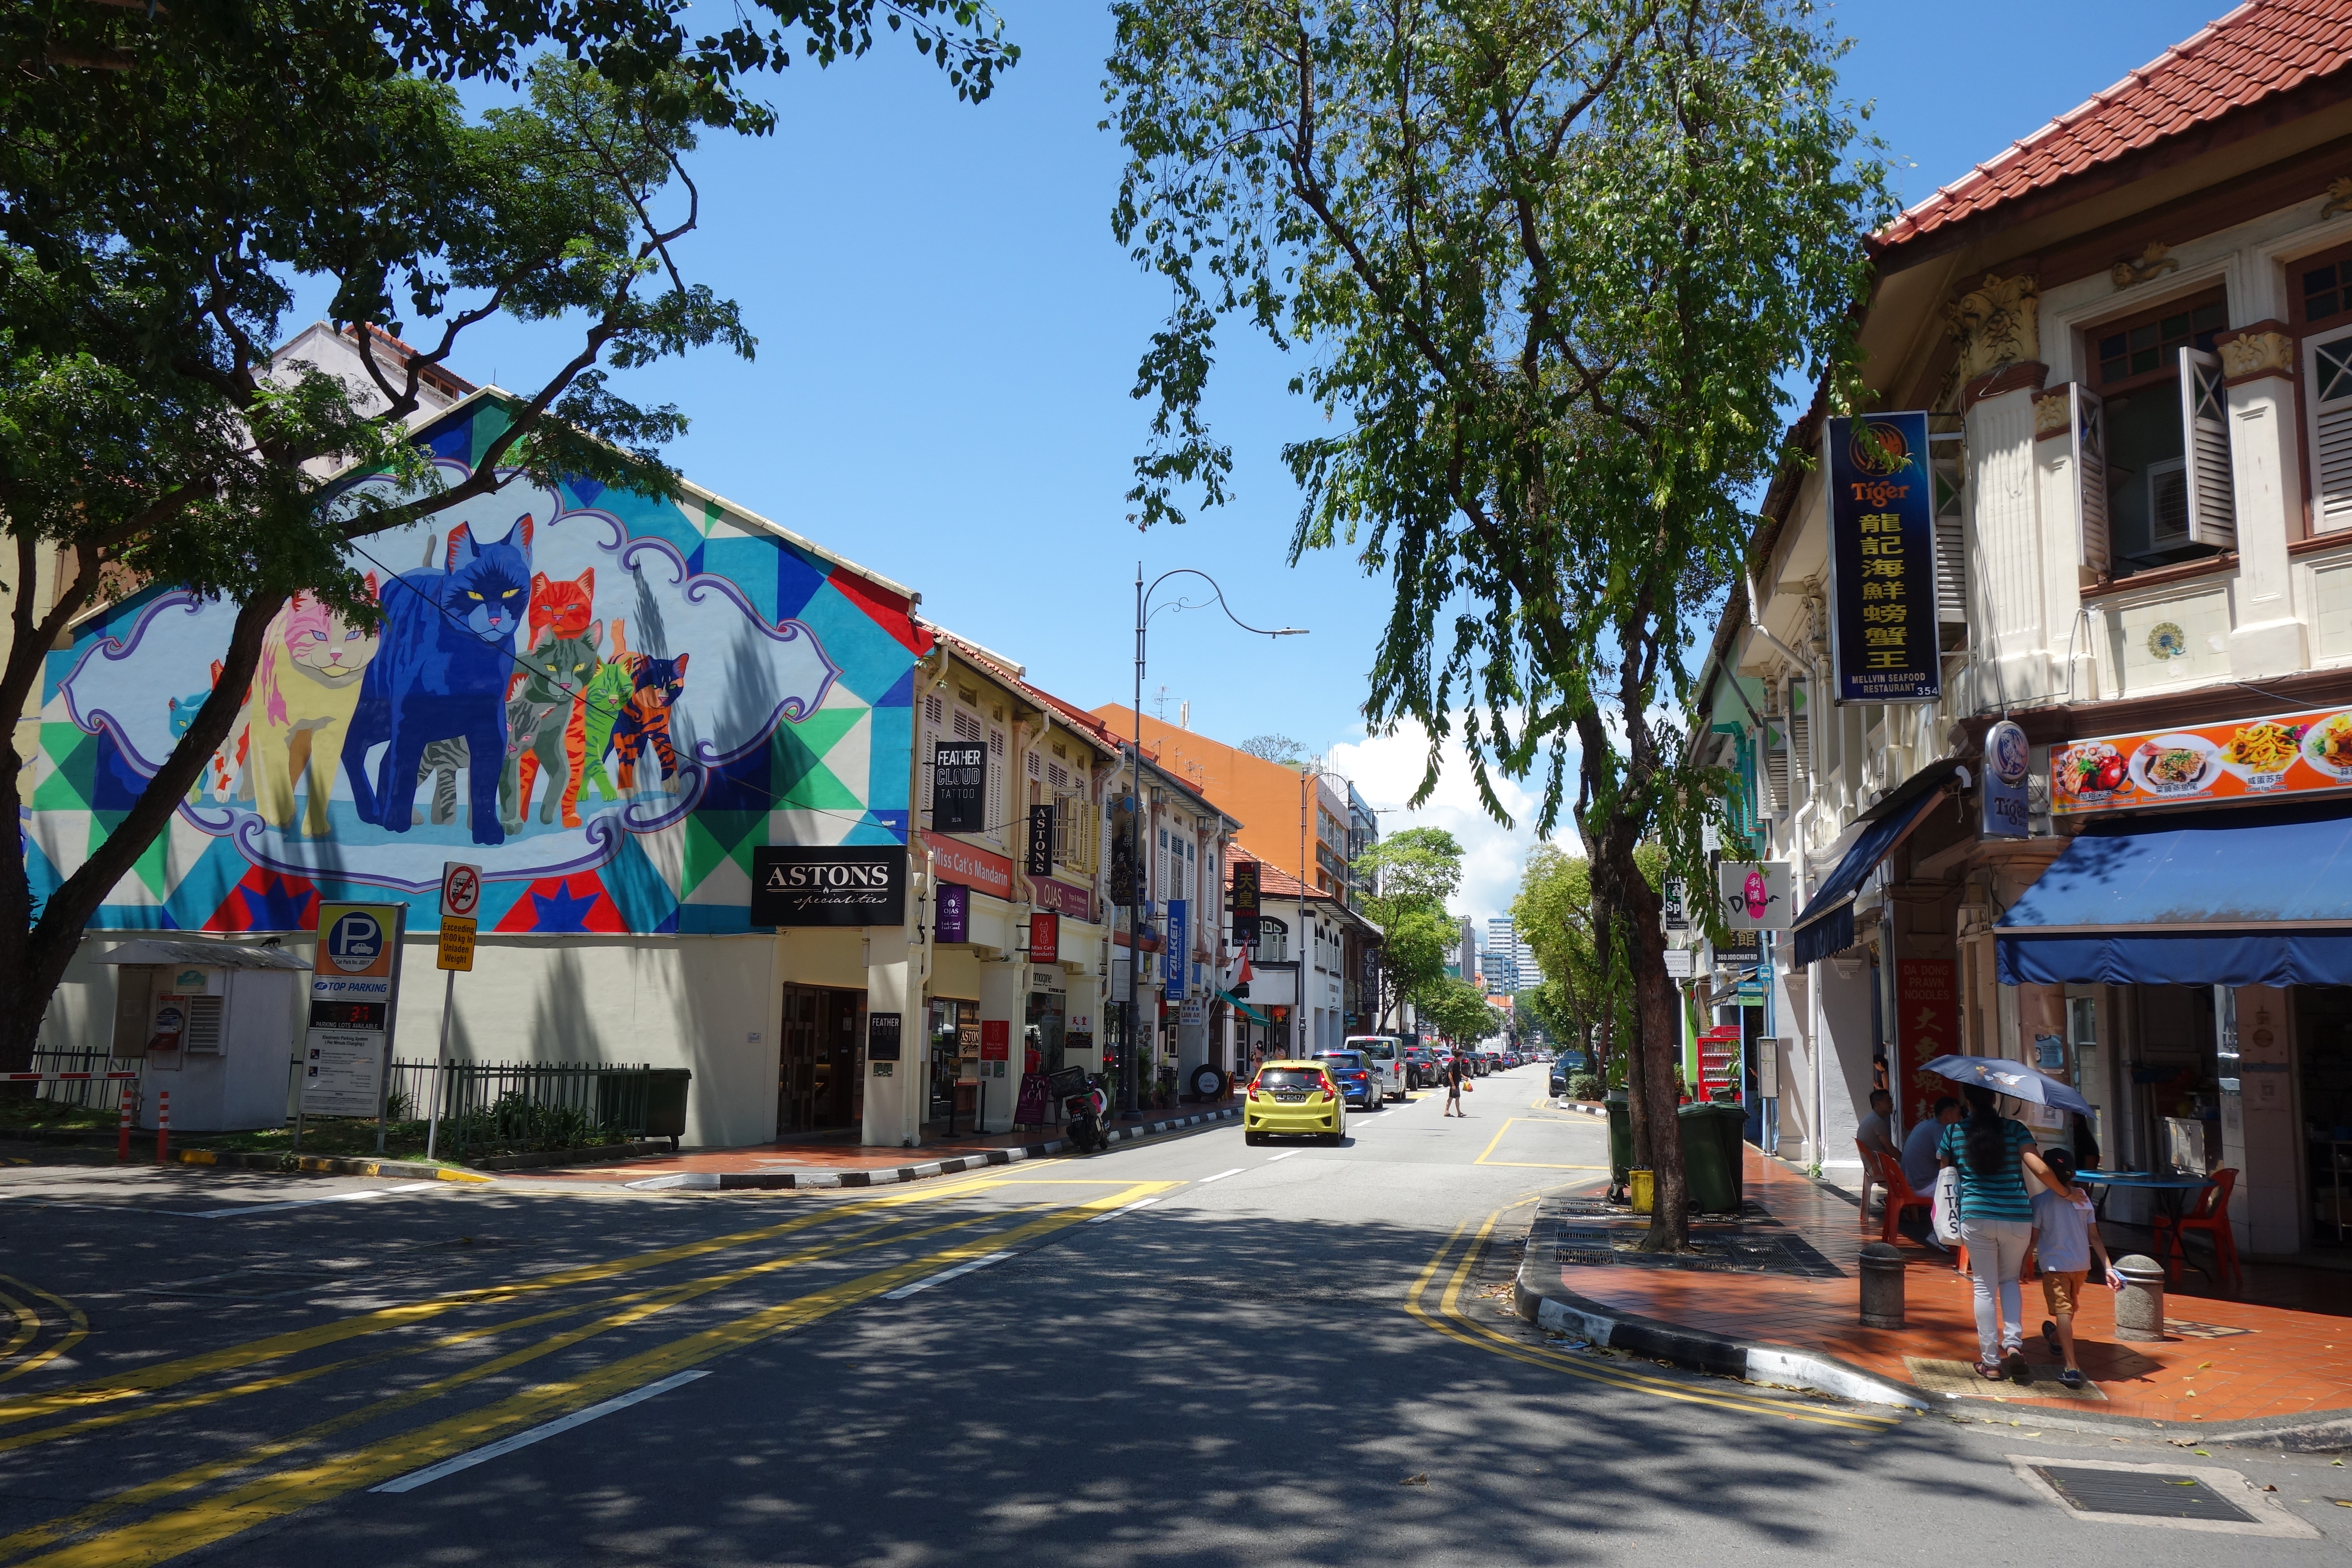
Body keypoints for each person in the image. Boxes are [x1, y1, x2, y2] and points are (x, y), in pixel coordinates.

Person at [1939, 1082, 2057, 1383]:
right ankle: (2015, 1345)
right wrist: (2065, 1192)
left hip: (1976, 1216)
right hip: (2016, 1216)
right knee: (2010, 1280)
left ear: (1968, 1101)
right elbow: (2036, 1165)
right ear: (1994, 1099)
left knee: (1983, 1287)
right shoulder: (2016, 1130)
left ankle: (1991, 1362)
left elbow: (1945, 1173)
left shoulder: (1953, 1133)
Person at [2030, 1147, 2121, 1390]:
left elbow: (2033, 1239)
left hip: (2054, 1265)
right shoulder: (2083, 1197)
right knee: (2068, 1308)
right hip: (2082, 1265)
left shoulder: (2039, 1202)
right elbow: (2096, 1238)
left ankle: (2071, 1367)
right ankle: (2056, 1338)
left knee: (2063, 1310)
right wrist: (2108, 1268)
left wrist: (2023, 1262)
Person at [1902, 1096, 1962, 1194]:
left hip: (1910, 1185)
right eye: (1959, 1114)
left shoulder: (1925, 1124)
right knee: (1966, 1186)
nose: (1961, 1118)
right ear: (1948, 1115)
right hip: (1924, 1186)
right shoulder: (1939, 1129)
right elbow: (1947, 1159)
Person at [1856, 1088, 1901, 1210]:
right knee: (1913, 1170)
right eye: (1889, 1100)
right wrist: (1907, 1161)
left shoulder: (1873, 1119)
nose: (1892, 1104)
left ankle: (1898, 1202)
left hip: (1874, 1165)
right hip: (1878, 1166)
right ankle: (1906, 1205)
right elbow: (1891, 1150)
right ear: (1878, 1103)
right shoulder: (1877, 1122)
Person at [1442, 1051, 1468, 1117]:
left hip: (1456, 1083)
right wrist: (1453, 1085)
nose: (1462, 1057)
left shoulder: (1457, 1063)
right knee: (1457, 1097)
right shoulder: (1453, 1063)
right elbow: (1450, 1075)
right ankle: (1459, 1113)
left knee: (1451, 1097)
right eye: (1461, 1056)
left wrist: (1464, 1077)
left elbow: (1459, 1073)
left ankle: (1446, 1111)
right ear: (1458, 1056)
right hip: (1453, 1084)